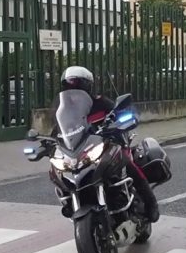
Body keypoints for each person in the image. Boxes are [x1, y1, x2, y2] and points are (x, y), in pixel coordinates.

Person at [54, 66, 160, 223]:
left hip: (110, 145)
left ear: (87, 86)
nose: (74, 90)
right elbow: (57, 130)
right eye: (70, 86)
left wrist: (126, 117)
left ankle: (151, 203)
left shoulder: (101, 102)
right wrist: (47, 143)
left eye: (77, 85)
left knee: (129, 164)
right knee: (60, 173)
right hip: (82, 152)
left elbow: (123, 112)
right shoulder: (64, 111)